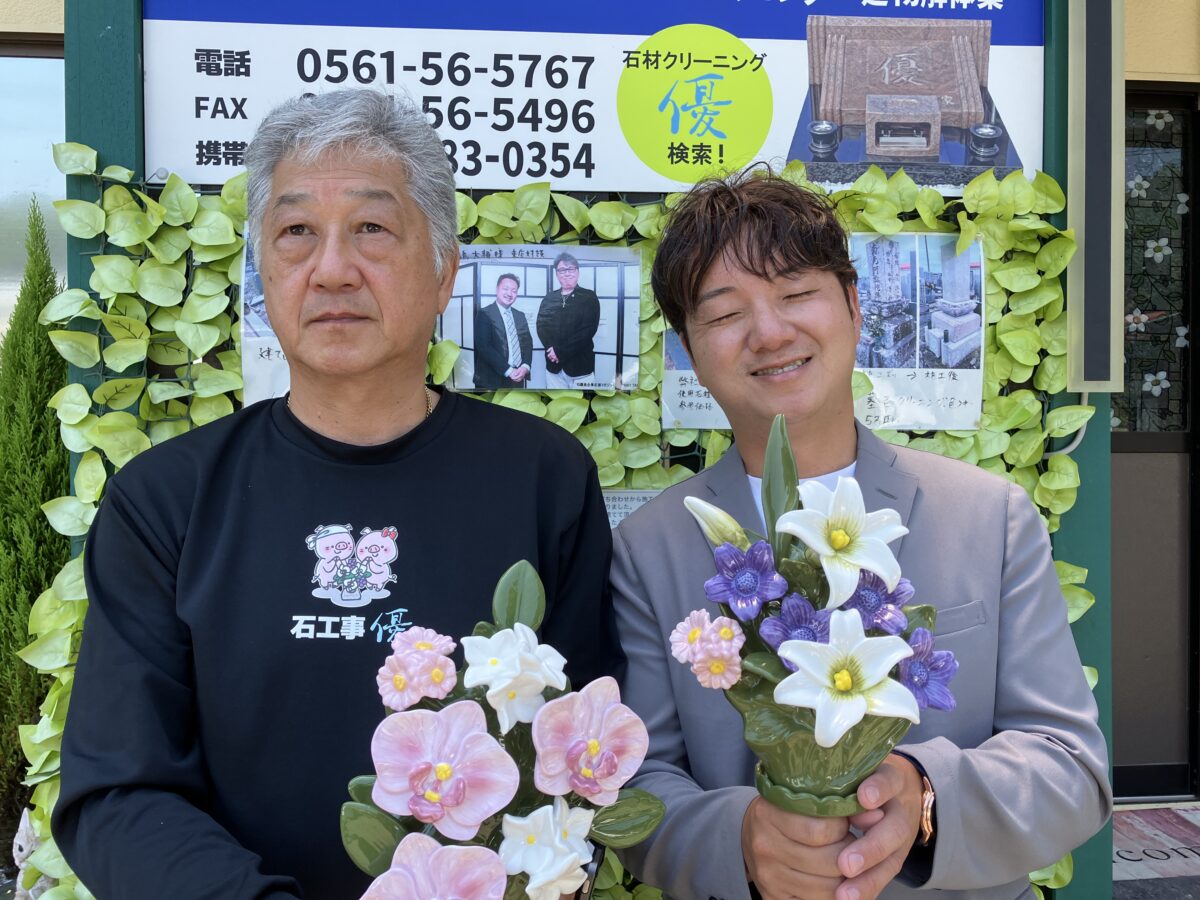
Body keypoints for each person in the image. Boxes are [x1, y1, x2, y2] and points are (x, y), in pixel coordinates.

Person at [52, 89, 622, 899]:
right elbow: (116, 790)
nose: (331, 269)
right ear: (264, 271)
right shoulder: (165, 501)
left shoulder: (543, 477)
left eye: (372, 229)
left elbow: (580, 760)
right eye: (295, 234)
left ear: (443, 270)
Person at [611, 169, 1111, 900]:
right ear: (687, 348)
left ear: (852, 304)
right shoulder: (651, 547)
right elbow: (642, 782)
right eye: (723, 313)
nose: (770, 331)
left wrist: (926, 797)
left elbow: (1072, 766)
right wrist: (742, 839)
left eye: (795, 293)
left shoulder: (988, 516)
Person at [536, 251, 600, 388]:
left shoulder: (588, 297)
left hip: (581, 367)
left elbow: (587, 331)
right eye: (562, 270)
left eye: (570, 269)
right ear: (556, 274)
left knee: (580, 404)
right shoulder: (549, 298)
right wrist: (551, 350)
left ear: (578, 271)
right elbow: (541, 326)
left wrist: (559, 352)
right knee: (556, 404)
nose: (566, 273)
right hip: (553, 367)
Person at [474, 272, 533, 389]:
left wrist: (525, 366)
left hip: (517, 378)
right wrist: (509, 371)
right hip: (490, 380)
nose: (509, 294)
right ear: (497, 289)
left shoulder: (520, 316)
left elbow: (527, 344)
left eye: (514, 291)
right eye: (505, 289)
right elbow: (484, 347)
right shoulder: (485, 314)